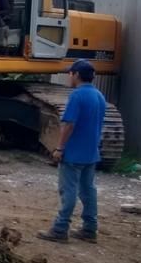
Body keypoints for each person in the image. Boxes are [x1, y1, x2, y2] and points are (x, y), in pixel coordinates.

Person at [38, 59, 106, 243]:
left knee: (68, 191)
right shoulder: (99, 95)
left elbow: (69, 124)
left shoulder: (77, 96)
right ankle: (89, 229)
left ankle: (60, 229)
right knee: (88, 191)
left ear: (76, 75)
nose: (69, 76)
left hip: (74, 153)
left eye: (70, 73)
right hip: (90, 153)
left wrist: (59, 148)